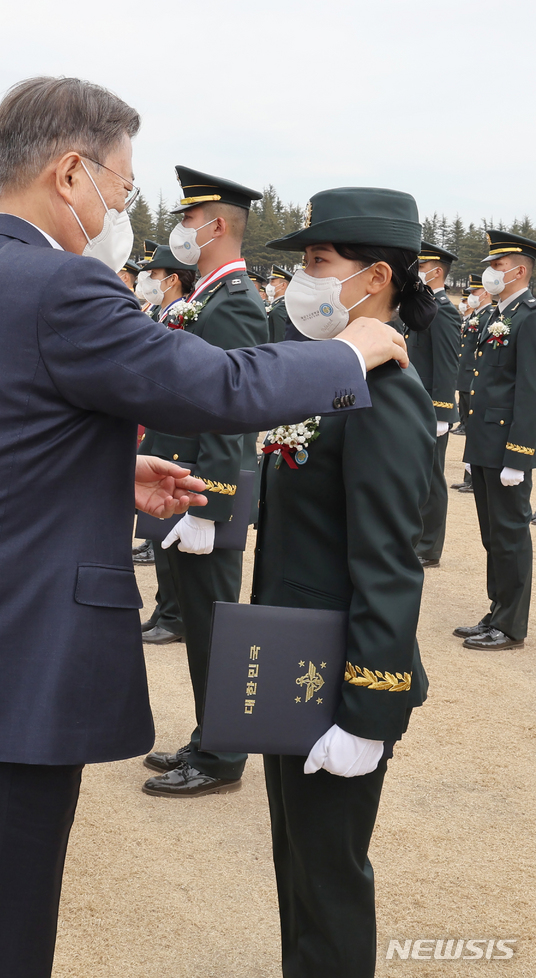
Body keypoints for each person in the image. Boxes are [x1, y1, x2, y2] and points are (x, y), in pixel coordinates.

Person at [0, 76, 408, 978]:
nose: (122, 208)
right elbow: (219, 387)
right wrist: (347, 353)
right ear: (71, 174)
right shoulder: (58, 286)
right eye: (119, 185)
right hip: (4, 674)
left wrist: (105, 473)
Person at [252, 186, 436, 978]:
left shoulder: (386, 396)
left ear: (377, 279)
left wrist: (367, 714)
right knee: (295, 861)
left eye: (320, 262)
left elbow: (390, 564)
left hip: (337, 679)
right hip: (292, 663)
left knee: (329, 881)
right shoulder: (329, 378)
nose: (305, 279)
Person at [140, 166, 270, 797]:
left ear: (216, 226)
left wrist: (209, 506)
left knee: (216, 628)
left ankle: (221, 757)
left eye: (189, 220)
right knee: (199, 619)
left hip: (206, 491)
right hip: (188, 482)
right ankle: (206, 735)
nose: (180, 231)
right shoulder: (210, 297)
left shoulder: (237, 301)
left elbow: (231, 407)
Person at [454, 229, 536, 651]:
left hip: (507, 446)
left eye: (497, 267)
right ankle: (497, 609)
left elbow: (529, 391)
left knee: (510, 534)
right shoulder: (493, 314)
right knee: (492, 536)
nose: (490, 273)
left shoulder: (529, 316)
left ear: (519, 271)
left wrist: (519, 456)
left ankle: (510, 625)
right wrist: (473, 451)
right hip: (485, 443)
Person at [136, 243, 197, 644]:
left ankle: (175, 614)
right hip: (159, 436)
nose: (147, 281)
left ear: (171, 279)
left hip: (179, 442)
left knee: (173, 538)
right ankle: (165, 607)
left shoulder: (183, 314)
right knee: (161, 540)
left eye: (153, 275)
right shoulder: (162, 312)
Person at [404, 242, 460, 567]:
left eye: (421, 267)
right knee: (417, 473)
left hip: (431, 407)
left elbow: (446, 364)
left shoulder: (444, 310)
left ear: (436, 271)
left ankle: (429, 546)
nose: (416, 272)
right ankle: (417, 537)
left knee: (433, 476)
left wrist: (442, 411)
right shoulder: (421, 305)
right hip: (416, 403)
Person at [451, 274, 491, 493]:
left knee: (474, 428)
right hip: (467, 375)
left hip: (474, 376)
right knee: (471, 427)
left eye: (474, 292)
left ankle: (474, 479)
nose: (470, 297)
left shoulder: (487, 317)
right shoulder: (477, 316)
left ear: (484, 293)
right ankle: (470, 477)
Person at [266, 264, 293, 342]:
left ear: (283, 285)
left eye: (272, 282)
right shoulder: (276, 305)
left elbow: (280, 337)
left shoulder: (281, 307)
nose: (269, 285)